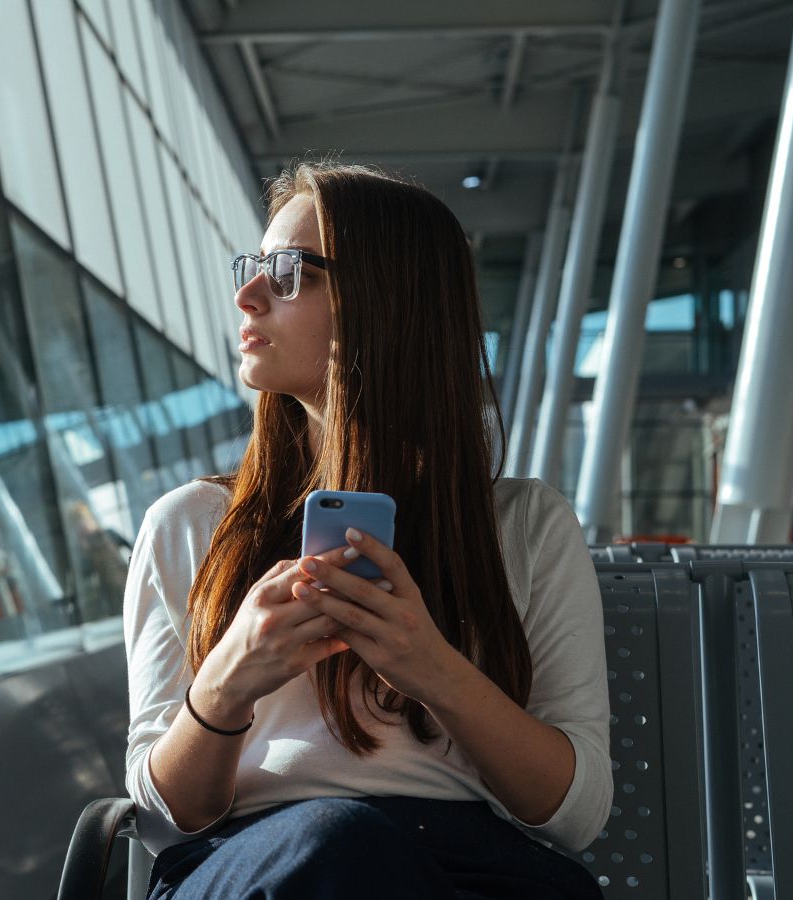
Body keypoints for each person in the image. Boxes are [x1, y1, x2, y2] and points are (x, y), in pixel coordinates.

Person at [123, 162, 610, 899]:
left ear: (390, 302)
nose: (246, 294)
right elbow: (165, 819)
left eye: (288, 273)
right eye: (254, 267)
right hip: (261, 864)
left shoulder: (525, 525)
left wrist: (433, 669)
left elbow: (573, 817)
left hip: (463, 865)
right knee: (339, 847)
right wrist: (227, 684)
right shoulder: (191, 526)